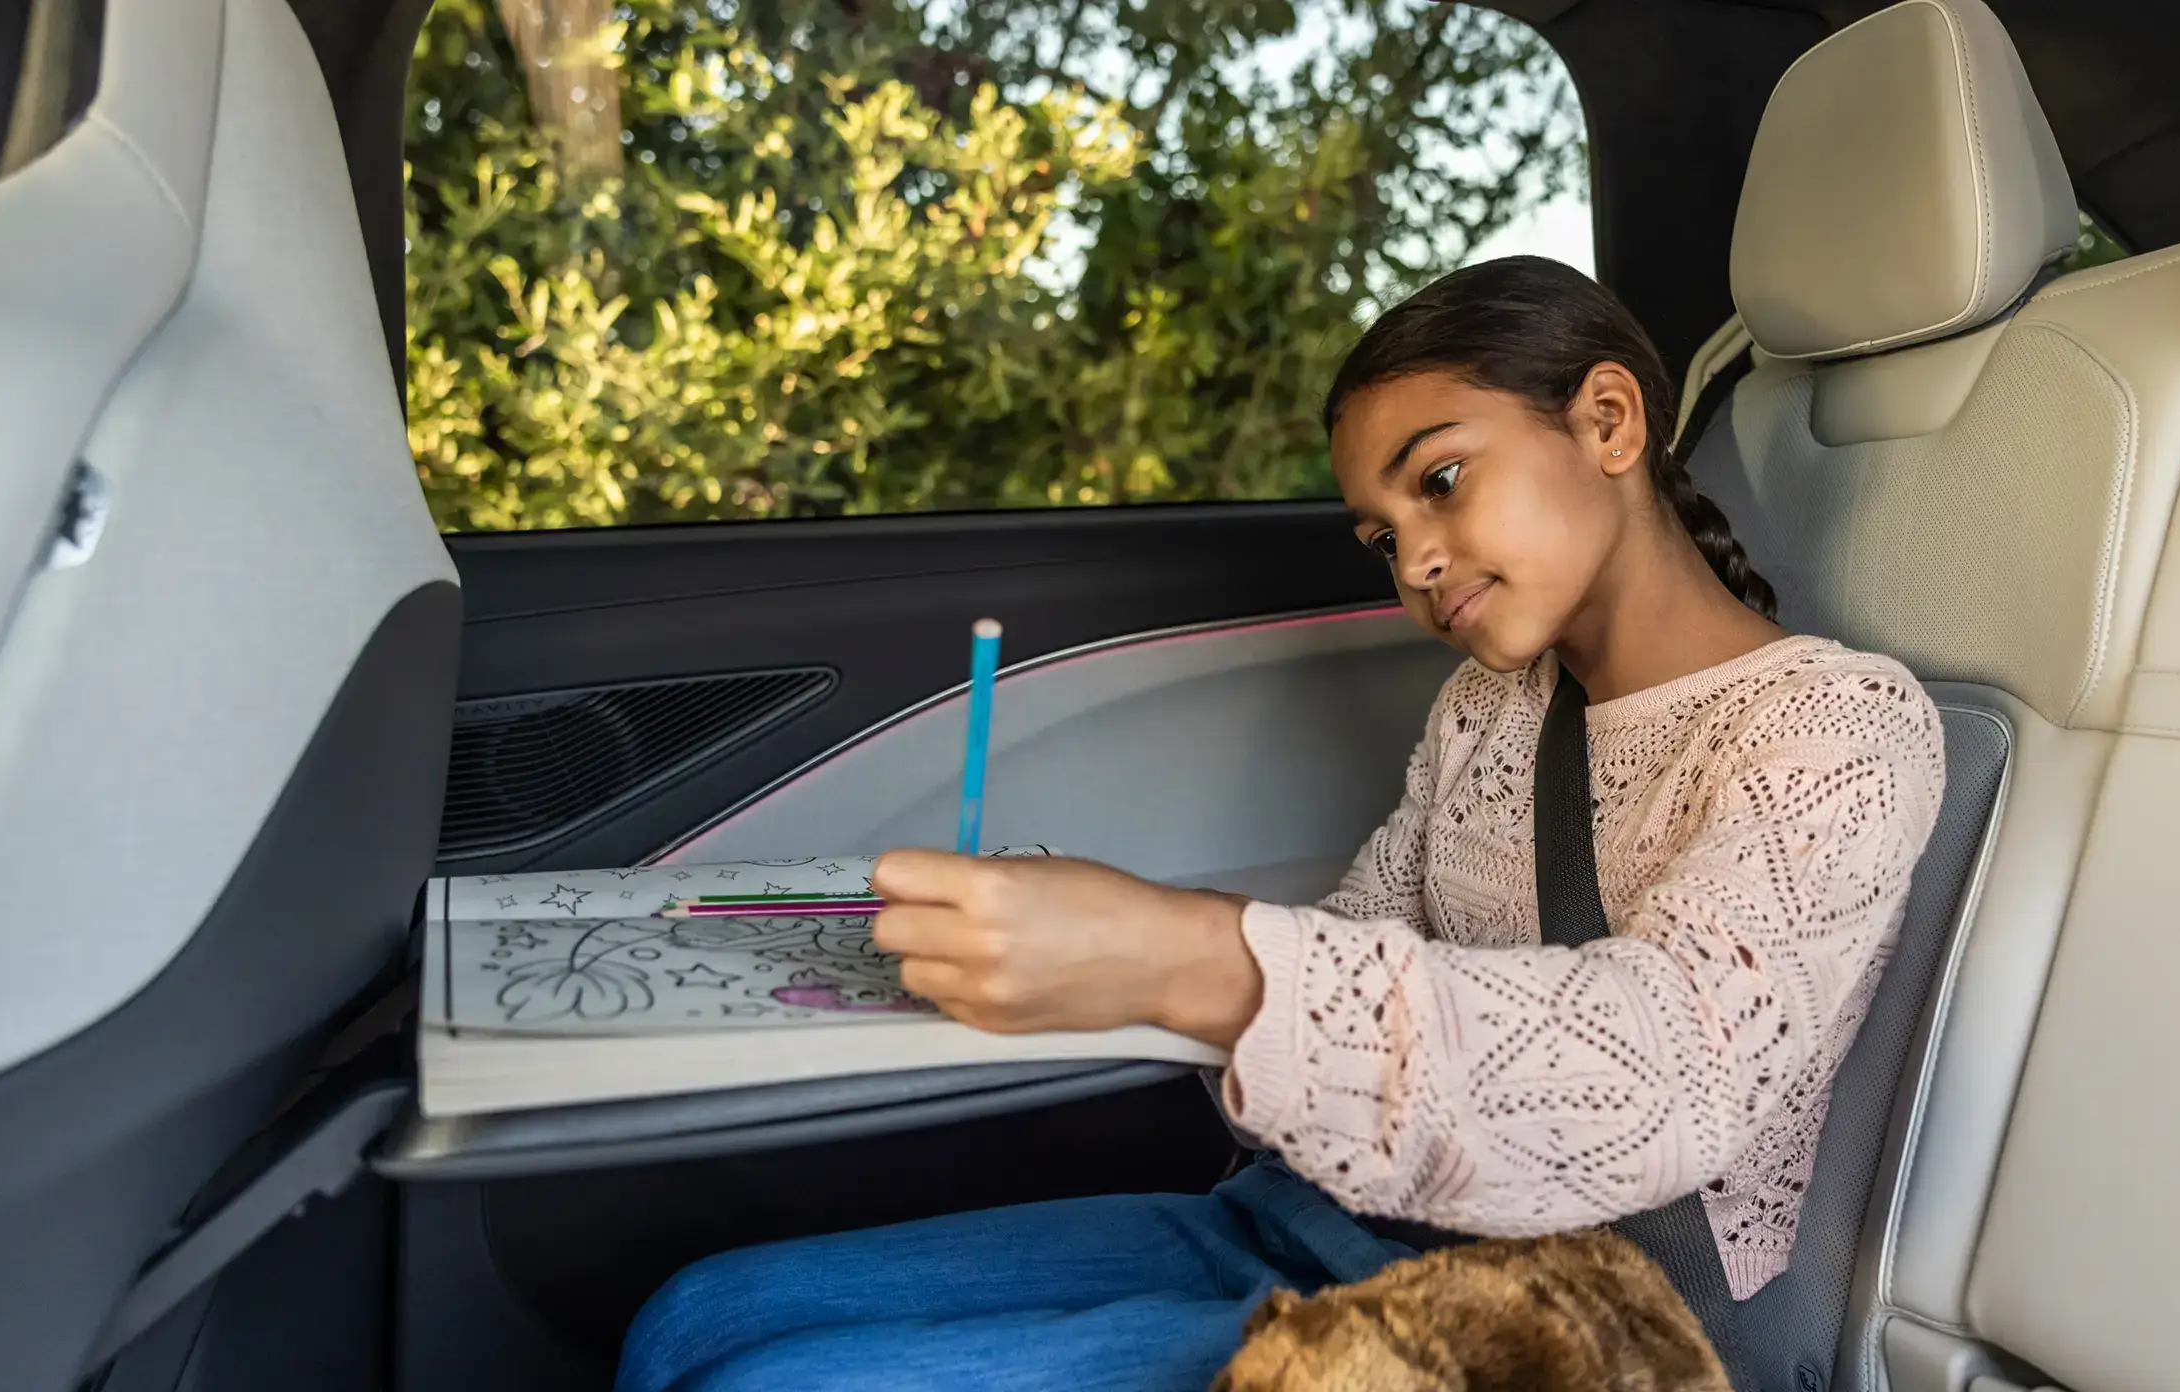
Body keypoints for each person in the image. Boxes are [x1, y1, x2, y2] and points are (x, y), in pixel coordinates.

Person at [614, 256, 1947, 1392]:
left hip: (1563, 1310)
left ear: (1608, 421)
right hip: (1337, 1212)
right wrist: (1092, 933)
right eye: (1379, 535)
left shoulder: (1837, 729)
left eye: (1442, 481)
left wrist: (1188, 957)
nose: (1415, 561)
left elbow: (1673, 1076)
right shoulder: (1488, 713)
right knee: (694, 1317)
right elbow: (1356, 940)